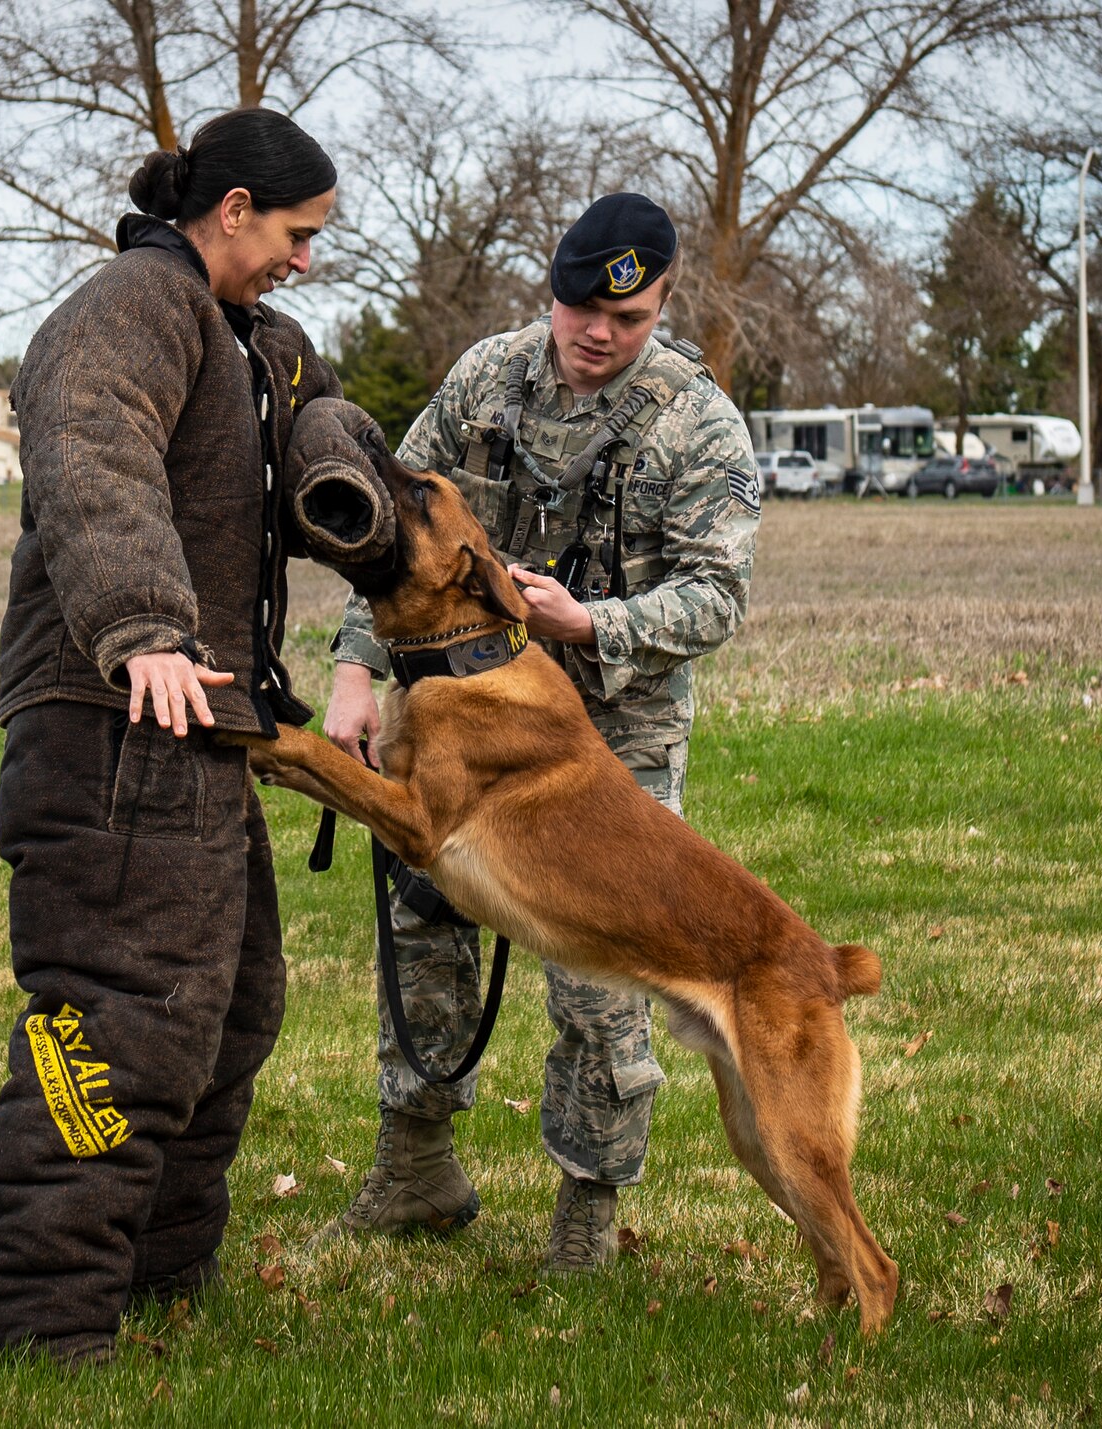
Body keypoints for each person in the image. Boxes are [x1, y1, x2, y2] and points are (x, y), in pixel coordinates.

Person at [0, 108, 342, 1368]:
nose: (303, 259)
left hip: (199, 725)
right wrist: (142, 627)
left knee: (225, 1012)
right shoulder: (132, 303)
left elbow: (320, 428)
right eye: (294, 234)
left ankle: (155, 1277)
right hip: (110, 712)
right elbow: (89, 446)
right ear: (231, 209)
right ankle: (33, 1320)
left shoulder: (255, 341)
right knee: (115, 1019)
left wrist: (341, 465)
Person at [322, 193, 761, 1272]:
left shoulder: (695, 422)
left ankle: (585, 1213)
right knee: (419, 920)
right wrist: (349, 670)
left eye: (627, 316)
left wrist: (589, 620)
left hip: (609, 744)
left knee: (602, 982)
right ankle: (416, 1163)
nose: (595, 333)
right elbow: (386, 524)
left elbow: (716, 597)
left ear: (659, 305)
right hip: (452, 714)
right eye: (577, 306)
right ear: (553, 290)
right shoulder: (486, 379)